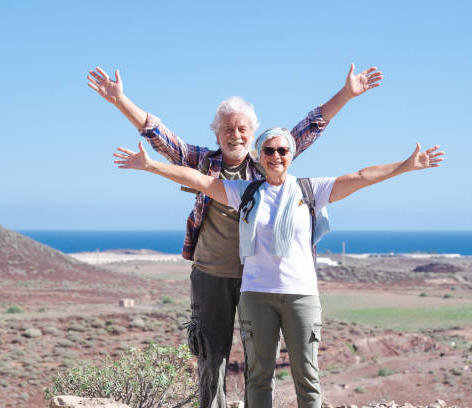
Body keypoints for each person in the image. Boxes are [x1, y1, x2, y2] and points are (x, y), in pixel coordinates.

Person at [88, 64, 382, 408]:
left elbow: (310, 126)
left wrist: (347, 93)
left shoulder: (268, 160)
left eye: (243, 128)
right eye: (228, 128)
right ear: (217, 134)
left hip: (256, 281)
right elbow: (159, 135)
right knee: (211, 357)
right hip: (212, 274)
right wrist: (121, 101)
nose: (236, 134)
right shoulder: (202, 162)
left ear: (253, 133)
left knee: (258, 364)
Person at [112, 127, 444, 408]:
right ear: (260, 155)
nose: (275, 156)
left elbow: (358, 177)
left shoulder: (310, 190)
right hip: (256, 296)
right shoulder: (246, 192)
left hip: (301, 296)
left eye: (282, 150)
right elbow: (199, 180)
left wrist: (405, 165)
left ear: (292, 153)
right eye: (268, 150)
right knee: (258, 377)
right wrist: (150, 165)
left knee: (307, 376)